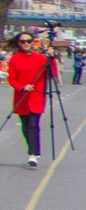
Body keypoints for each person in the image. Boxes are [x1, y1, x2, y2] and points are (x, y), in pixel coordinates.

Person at [7, 32, 52, 166]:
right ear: (18, 44)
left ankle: (33, 154)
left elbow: (51, 73)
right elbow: (11, 79)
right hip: (21, 97)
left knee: (33, 125)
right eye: (22, 42)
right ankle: (33, 149)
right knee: (25, 127)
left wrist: (51, 58)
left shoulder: (41, 58)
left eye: (28, 41)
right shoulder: (14, 59)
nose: (26, 43)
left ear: (33, 42)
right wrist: (22, 87)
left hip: (36, 96)